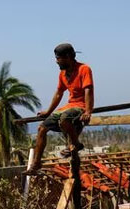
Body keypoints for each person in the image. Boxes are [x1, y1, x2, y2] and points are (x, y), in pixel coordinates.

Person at [25, 43, 94, 174]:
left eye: (58, 58)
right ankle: (36, 163)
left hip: (80, 106)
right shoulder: (62, 74)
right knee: (41, 128)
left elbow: (88, 90)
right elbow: (58, 93)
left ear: (68, 57)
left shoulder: (84, 69)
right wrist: (48, 112)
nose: (56, 61)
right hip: (69, 106)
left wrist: (88, 111)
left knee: (64, 119)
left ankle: (75, 144)